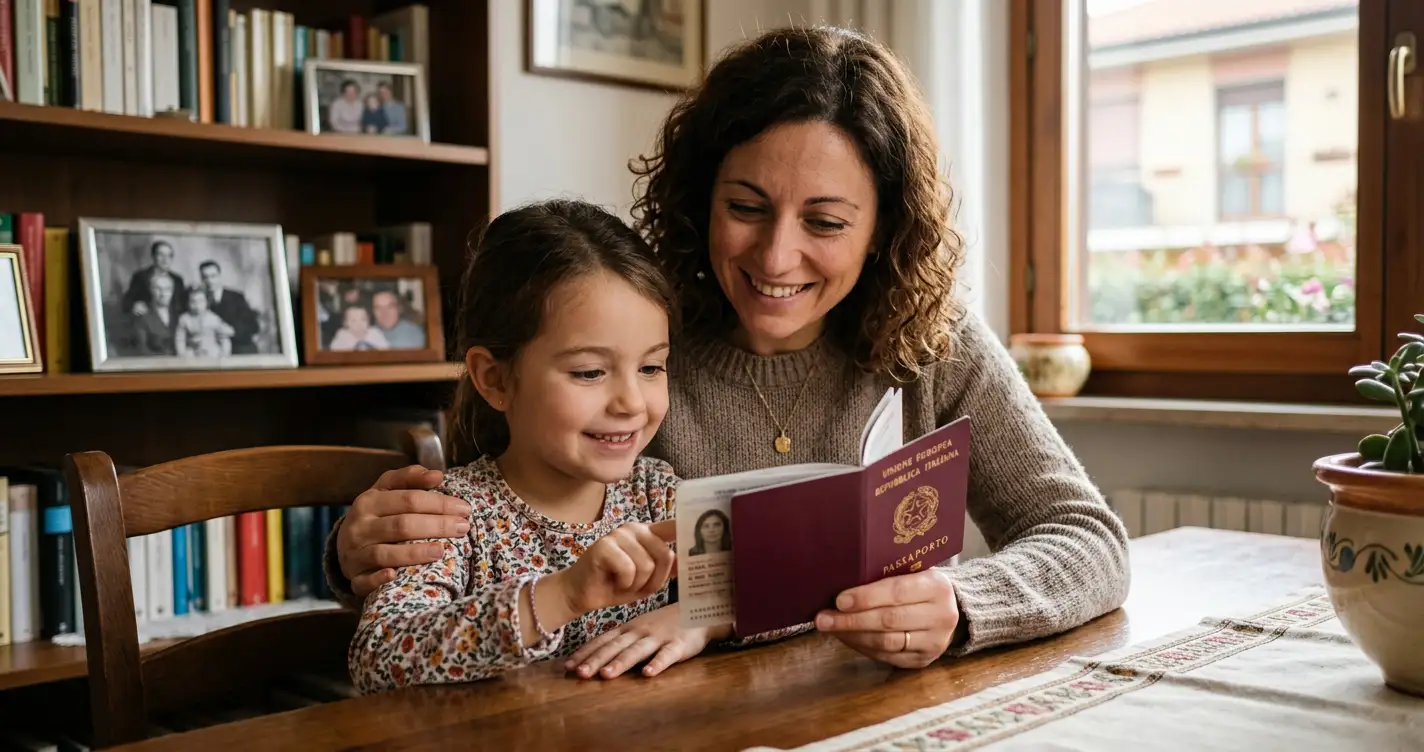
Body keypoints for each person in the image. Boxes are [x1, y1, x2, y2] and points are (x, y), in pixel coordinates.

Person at [328, 25, 1130, 673]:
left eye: (824, 222)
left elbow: (1086, 538)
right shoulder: (629, 323)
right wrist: (353, 552)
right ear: (698, 193)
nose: (776, 259)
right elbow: (496, 508)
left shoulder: (931, 336)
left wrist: (960, 603)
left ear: (885, 229)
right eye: (746, 207)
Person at [348, 199, 719, 694]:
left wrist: (703, 616)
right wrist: (561, 596)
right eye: (589, 372)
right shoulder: (455, 518)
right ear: (495, 378)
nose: (632, 402)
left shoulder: (656, 493)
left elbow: (782, 586)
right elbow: (378, 659)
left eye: (651, 367)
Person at [199, 261, 260, 354]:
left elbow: (253, 326)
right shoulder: (199, 300)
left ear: (219, 276)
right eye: (205, 277)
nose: (209, 281)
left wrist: (233, 331)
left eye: (213, 276)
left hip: (238, 347)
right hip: (213, 351)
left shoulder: (236, 297)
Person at [121, 240, 185, 322]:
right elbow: (127, 302)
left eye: (169, 256)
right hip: (148, 323)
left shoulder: (177, 280)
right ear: (153, 256)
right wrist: (134, 306)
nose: (165, 259)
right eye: (161, 255)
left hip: (172, 323)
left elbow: (182, 305)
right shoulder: (141, 277)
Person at [175, 287, 232, 357]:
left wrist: (224, 354)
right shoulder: (184, 319)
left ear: (206, 302)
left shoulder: (213, 318)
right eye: (193, 301)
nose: (197, 305)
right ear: (188, 303)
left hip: (211, 351)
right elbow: (180, 339)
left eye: (200, 301)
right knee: (188, 355)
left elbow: (223, 336)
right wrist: (181, 353)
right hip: (193, 351)